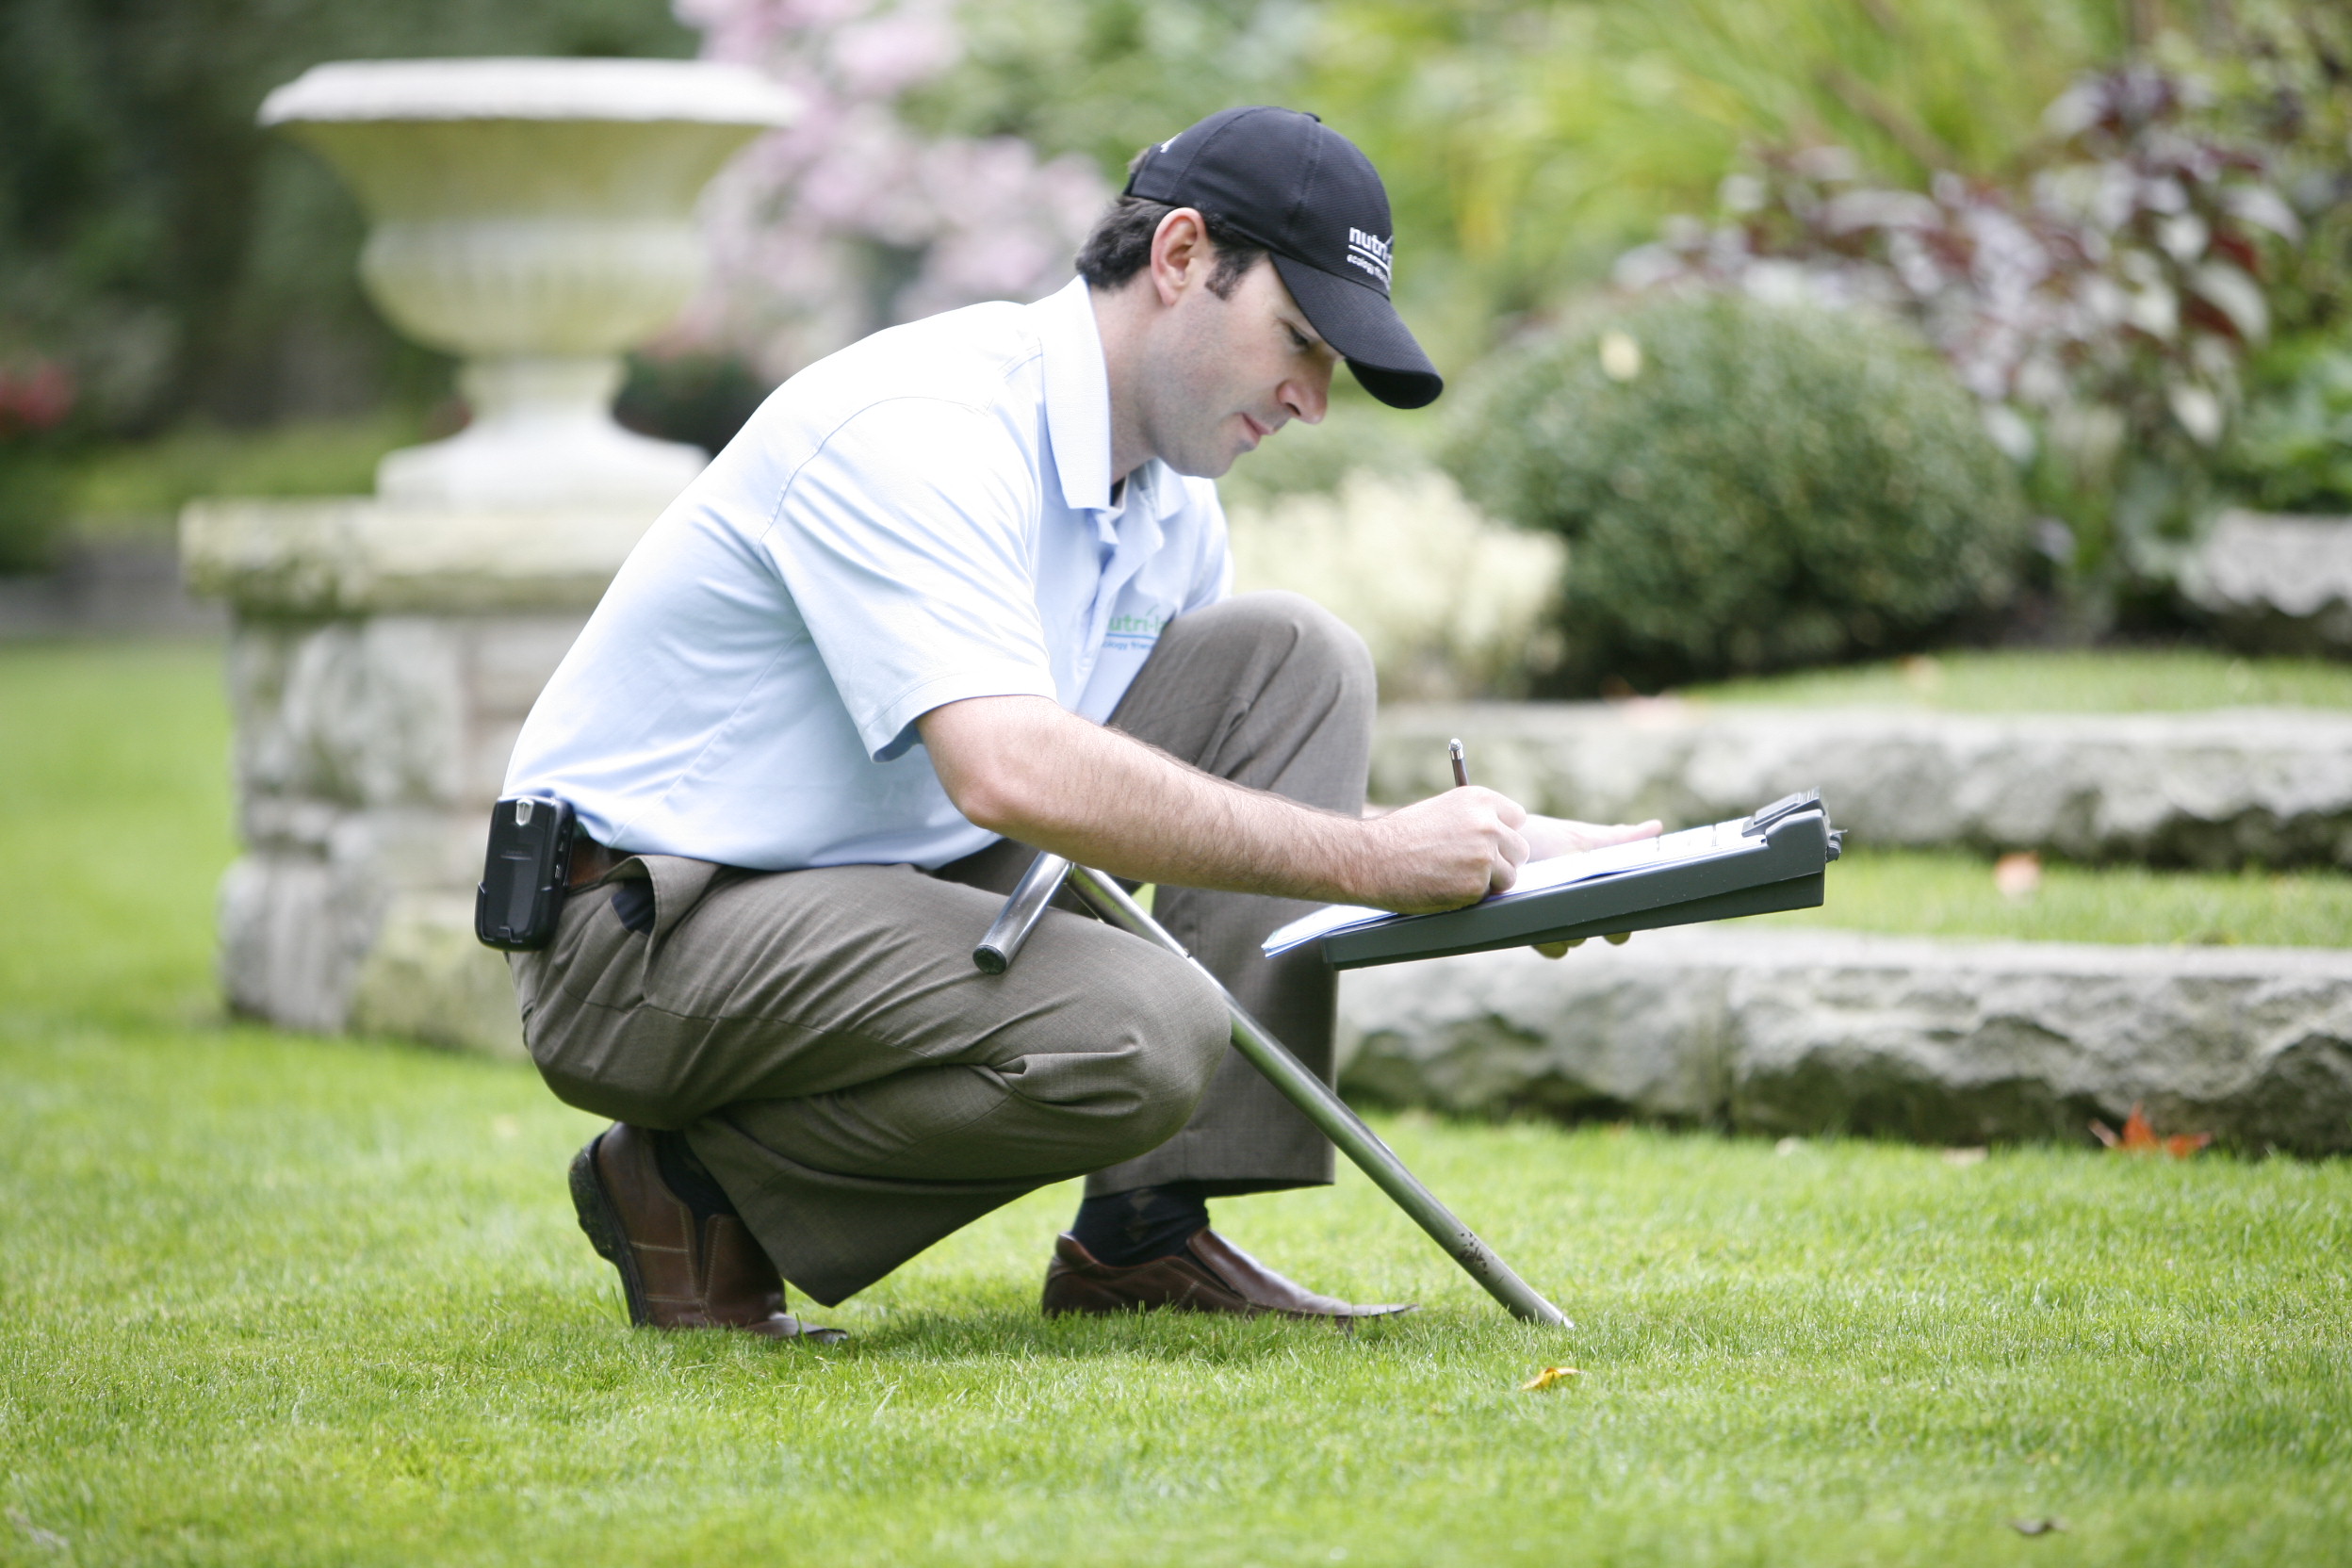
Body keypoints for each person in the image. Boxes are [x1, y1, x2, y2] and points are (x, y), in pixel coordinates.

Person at [501, 106, 1657, 1342]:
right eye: (1301, 341)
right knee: (1141, 1031)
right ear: (1177, 257)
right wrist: (1375, 859)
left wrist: (1508, 854)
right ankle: (686, 1189)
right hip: (639, 927)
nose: (1314, 399)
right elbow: (1008, 772)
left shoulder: (1169, 504)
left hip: (882, 871)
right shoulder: (921, 426)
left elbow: (1192, 813)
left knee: (1293, 660)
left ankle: (1143, 1238)